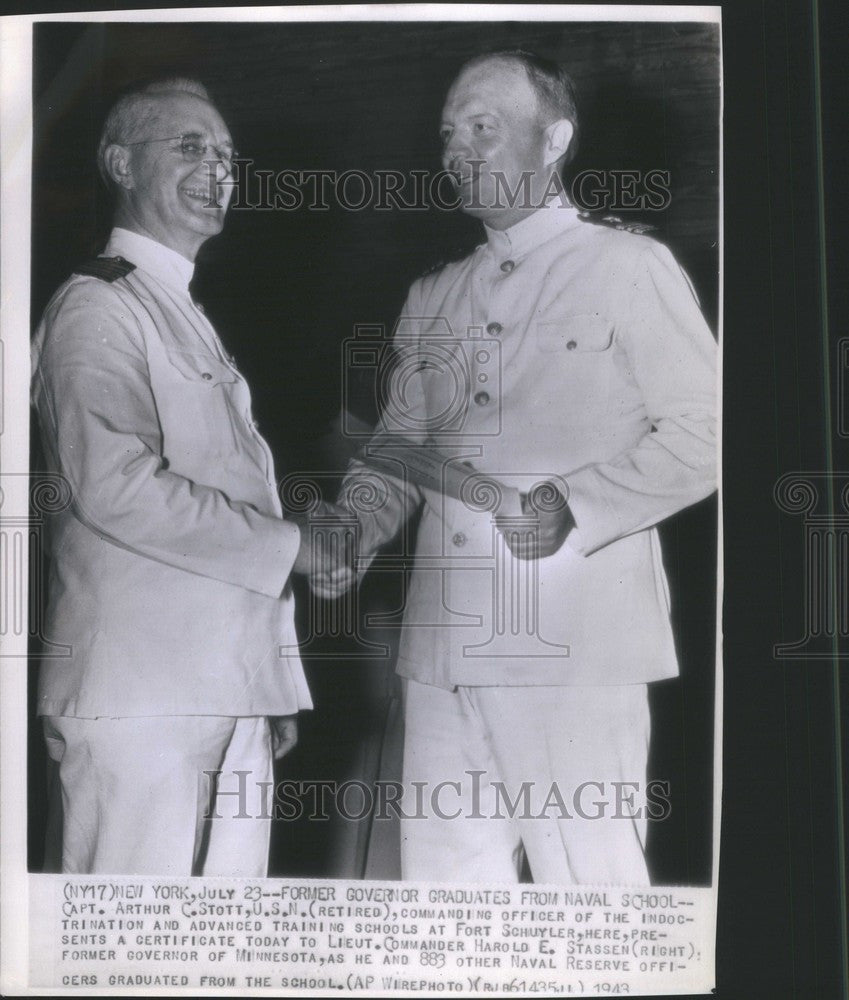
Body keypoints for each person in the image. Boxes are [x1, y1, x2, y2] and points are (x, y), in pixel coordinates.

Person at [323, 51, 717, 884]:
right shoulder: (433, 294)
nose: (457, 151)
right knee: (447, 910)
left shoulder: (628, 269)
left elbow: (708, 432)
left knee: (593, 895)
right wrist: (354, 529)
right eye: (447, 134)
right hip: (441, 657)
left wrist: (577, 503)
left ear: (554, 140)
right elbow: (396, 449)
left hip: (574, 653)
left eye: (482, 128)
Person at [31, 77, 352, 876]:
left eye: (227, 156)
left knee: (223, 959)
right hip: (144, 698)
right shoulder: (97, 305)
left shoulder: (181, 311)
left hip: (215, 690)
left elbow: (220, 499)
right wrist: (295, 549)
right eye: (189, 147)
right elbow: (113, 484)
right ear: (119, 163)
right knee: (121, 961)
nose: (219, 168)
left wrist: (259, 684)